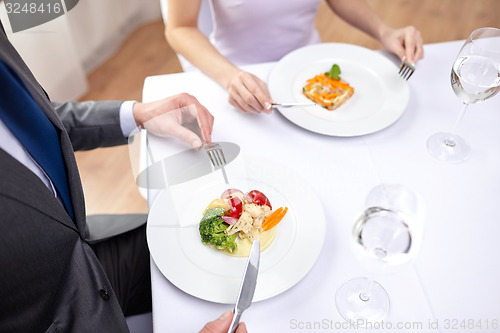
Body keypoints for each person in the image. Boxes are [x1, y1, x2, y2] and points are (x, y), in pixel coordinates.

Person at [0, 20, 247, 333]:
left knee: (206, 259)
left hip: (88, 247)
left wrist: (136, 115)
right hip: (55, 316)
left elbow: (24, 118)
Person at [166, 0, 424, 114]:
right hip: (238, 83)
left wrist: (384, 31)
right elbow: (180, 28)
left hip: (311, 75)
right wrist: (231, 76)